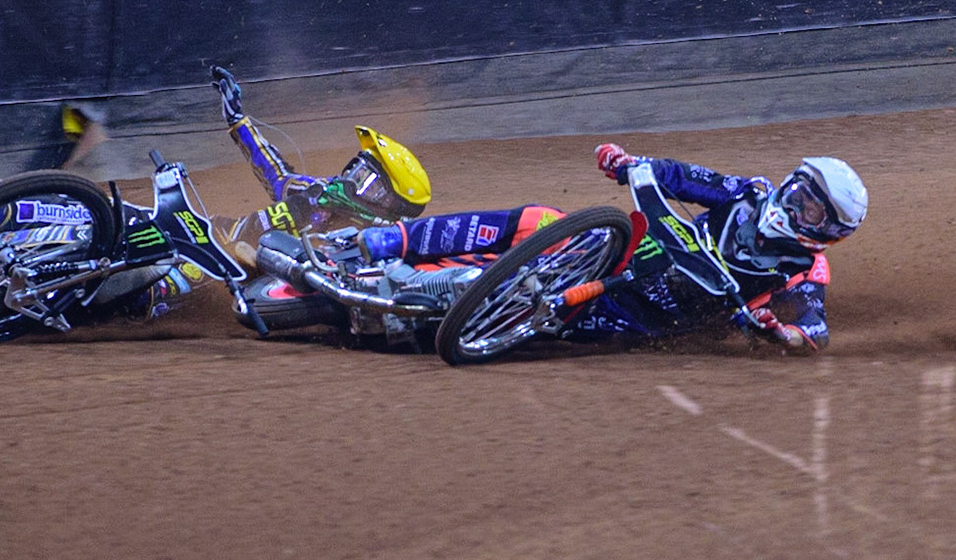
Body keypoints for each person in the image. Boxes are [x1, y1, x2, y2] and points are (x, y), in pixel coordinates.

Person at [356, 143, 868, 351]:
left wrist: (781, 332)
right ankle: (390, 239)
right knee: (539, 220)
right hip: (623, 250)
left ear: (827, 231)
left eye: (811, 209)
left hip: (634, 316)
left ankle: (397, 324)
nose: (795, 205)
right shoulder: (750, 193)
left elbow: (814, 330)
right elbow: (684, 177)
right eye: (799, 191)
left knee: (531, 311)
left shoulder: (805, 273)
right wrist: (628, 162)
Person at [209, 65, 432, 262]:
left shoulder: (359, 253)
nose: (353, 181)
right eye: (359, 173)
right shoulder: (319, 194)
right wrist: (238, 121)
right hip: (216, 238)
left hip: (231, 277)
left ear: (389, 209)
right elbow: (278, 176)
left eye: (370, 185)